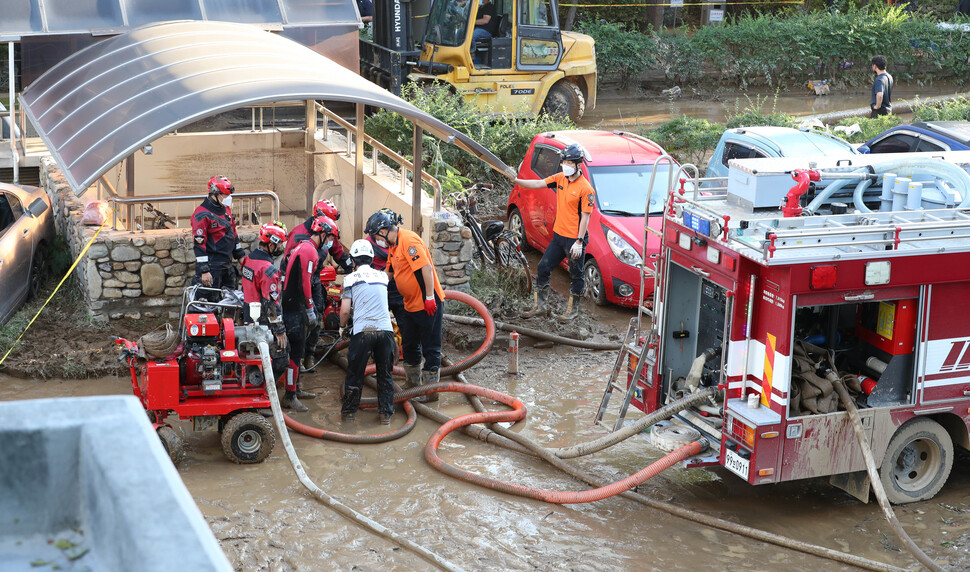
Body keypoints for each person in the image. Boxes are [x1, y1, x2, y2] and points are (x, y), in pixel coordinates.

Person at [366, 210, 445, 402]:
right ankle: (413, 386)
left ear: (383, 231)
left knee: (430, 347)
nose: (377, 240)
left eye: (376, 236)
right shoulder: (393, 247)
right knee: (410, 345)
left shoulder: (409, 241)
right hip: (409, 304)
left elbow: (426, 268)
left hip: (427, 302)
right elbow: (389, 274)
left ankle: (431, 393)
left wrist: (429, 297)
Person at [515, 143, 594, 321]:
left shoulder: (586, 189)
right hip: (559, 236)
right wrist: (517, 180)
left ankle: (572, 312)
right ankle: (540, 306)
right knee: (543, 266)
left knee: (576, 275)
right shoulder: (560, 178)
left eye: (569, 163)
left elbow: (585, 217)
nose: (564, 165)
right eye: (564, 161)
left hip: (574, 239)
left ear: (578, 165)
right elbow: (537, 183)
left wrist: (579, 242)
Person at [286, 206, 349, 371]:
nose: (330, 242)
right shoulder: (300, 237)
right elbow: (289, 263)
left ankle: (310, 355)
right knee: (301, 321)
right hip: (299, 283)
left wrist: (351, 266)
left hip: (314, 280)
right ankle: (297, 359)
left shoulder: (326, 235)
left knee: (318, 316)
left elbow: (338, 251)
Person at [339, 239, 396, 424]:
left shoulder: (349, 279)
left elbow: (345, 310)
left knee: (355, 374)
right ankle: (385, 415)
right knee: (385, 375)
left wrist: (342, 327)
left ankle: (349, 415)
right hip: (386, 331)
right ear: (372, 259)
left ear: (353, 260)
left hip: (363, 332)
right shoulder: (382, 277)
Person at [280, 217, 332, 412]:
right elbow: (305, 282)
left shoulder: (303, 247)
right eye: (330, 238)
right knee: (294, 354)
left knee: (297, 353)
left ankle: (296, 388)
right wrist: (310, 307)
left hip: (292, 305)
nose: (330, 243)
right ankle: (290, 395)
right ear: (323, 233)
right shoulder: (309, 250)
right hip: (296, 310)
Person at [240, 223, 289, 387]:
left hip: (248, 315)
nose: (281, 247)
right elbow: (271, 304)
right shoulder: (269, 270)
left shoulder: (248, 259)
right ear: (271, 244)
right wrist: (280, 330)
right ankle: (266, 394)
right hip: (263, 321)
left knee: (251, 358)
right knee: (282, 358)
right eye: (280, 243)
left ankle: (253, 391)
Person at [191, 175, 245, 294]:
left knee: (231, 303)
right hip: (212, 267)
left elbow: (233, 234)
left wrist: (241, 257)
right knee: (209, 304)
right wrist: (204, 270)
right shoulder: (201, 215)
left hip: (228, 265)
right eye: (225, 195)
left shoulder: (226, 209)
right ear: (214, 193)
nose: (228, 198)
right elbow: (199, 244)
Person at [365, 208, 407, 326]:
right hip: (379, 284)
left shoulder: (401, 241)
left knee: (405, 323)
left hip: (398, 286)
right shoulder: (369, 242)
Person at [471, 0, 498, 65]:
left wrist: (471, 22)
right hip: (478, 28)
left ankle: (472, 53)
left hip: (486, 31)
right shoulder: (481, 7)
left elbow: (485, 20)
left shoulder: (489, 7)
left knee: (470, 36)